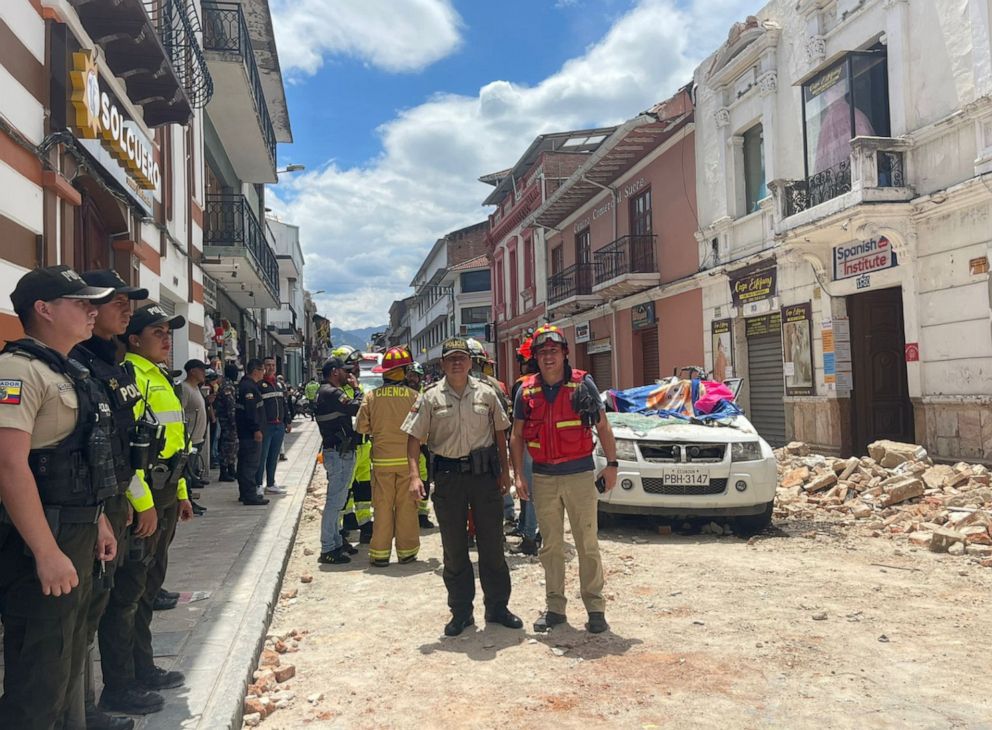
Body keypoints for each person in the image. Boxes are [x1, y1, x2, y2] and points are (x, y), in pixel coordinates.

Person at [0, 266, 117, 729]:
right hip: (40, 539)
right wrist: (46, 551)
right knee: (40, 673)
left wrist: (99, 521)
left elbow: (84, 454)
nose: (93, 311)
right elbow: (10, 467)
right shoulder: (16, 371)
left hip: (78, 529)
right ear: (43, 310)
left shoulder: (67, 369)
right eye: (81, 303)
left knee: (68, 660)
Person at [99, 304, 195, 714]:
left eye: (169, 332)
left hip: (169, 489)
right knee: (129, 593)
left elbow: (173, 440)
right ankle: (122, 683)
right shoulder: (133, 376)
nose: (167, 338)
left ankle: (144, 666)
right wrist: (143, 504)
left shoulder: (160, 377)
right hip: (148, 497)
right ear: (134, 339)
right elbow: (129, 451)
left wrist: (184, 490)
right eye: (158, 332)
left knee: (149, 587)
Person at [401, 337, 522, 637]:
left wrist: (505, 471)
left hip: (484, 478)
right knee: (454, 549)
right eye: (451, 358)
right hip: (449, 479)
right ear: (442, 364)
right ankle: (461, 611)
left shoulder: (488, 393)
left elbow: (500, 434)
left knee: (492, 546)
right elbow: (414, 438)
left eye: (462, 357)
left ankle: (497, 608)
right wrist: (415, 476)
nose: (457, 363)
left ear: (471, 362)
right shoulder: (429, 397)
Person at [71, 270, 150, 730]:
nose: (127, 310)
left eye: (129, 303)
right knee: (83, 614)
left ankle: (107, 693)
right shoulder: (78, 365)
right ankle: (79, 710)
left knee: (111, 600)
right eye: (117, 302)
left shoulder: (117, 366)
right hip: (92, 506)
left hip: (119, 498)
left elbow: (122, 446)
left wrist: (136, 499)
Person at [509, 324, 618, 635]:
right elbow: (516, 437)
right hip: (543, 477)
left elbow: (604, 426)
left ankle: (595, 609)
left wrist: (611, 465)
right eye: (541, 353)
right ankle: (555, 608)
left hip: (580, 475)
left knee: (587, 544)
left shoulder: (583, 384)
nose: (548, 357)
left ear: (565, 353)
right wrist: (519, 475)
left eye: (553, 351)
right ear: (535, 358)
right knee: (551, 547)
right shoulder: (525, 390)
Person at [358, 347, 421, 567]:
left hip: (382, 462)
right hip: (408, 463)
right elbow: (424, 431)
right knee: (406, 507)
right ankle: (407, 552)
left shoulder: (371, 397)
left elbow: (361, 427)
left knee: (383, 507)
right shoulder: (414, 397)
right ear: (403, 372)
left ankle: (380, 554)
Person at [315, 356, 363, 565]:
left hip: (338, 451)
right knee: (335, 502)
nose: (348, 374)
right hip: (338, 453)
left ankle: (335, 542)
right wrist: (358, 388)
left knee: (338, 500)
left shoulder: (325, 392)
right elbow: (357, 407)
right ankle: (328, 547)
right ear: (335, 372)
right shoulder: (331, 392)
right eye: (345, 371)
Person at [509, 338, 540, 557]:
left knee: (527, 489)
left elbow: (516, 423)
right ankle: (528, 527)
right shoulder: (551, 380)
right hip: (545, 445)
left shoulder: (522, 385)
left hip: (528, 443)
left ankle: (529, 534)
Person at [256, 356, 292, 495]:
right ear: (263, 367)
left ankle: (271, 483)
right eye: (268, 365)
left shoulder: (279, 384)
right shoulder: (259, 385)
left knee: (274, 456)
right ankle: (258, 483)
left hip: (279, 426)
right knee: (262, 456)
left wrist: (287, 421)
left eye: (273, 365)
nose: (271, 368)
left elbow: (285, 404)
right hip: (266, 427)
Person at [236, 359, 269, 506]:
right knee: (250, 464)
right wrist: (256, 429)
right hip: (249, 434)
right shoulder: (249, 388)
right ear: (255, 370)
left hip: (246, 432)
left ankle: (245, 493)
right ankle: (249, 495)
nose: (263, 373)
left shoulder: (247, 385)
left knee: (245, 463)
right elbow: (251, 411)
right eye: (262, 370)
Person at [405, 362, 433, 529]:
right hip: (406, 441)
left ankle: (422, 514)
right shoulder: (404, 394)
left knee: (424, 478)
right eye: (409, 375)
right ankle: (407, 513)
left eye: (415, 375)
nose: (412, 378)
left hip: (424, 443)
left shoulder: (427, 393)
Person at [180, 359, 210, 515]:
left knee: (192, 473)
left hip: (198, 438)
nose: (204, 373)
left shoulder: (196, 389)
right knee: (187, 474)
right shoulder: (184, 388)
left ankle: (191, 501)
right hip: (189, 439)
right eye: (201, 370)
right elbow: (180, 413)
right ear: (192, 371)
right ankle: (187, 502)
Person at [214, 364, 239, 483]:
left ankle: (231, 469)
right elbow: (230, 407)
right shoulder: (228, 386)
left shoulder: (228, 384)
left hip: (228, 422)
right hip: (227, 423)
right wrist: (234, 422)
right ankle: (224, 471)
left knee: (232, 447)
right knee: (227, 447)